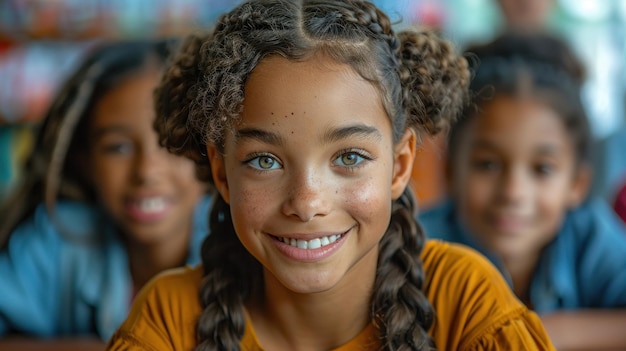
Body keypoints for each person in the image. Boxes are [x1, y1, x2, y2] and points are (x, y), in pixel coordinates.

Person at [107, 1, 556, 350]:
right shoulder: (168, 318)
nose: (306, 202)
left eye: (350, 157)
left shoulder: (465, 301)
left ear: (400, 166)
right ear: (222, 174)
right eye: (265, 161)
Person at [419, 31, 626, 350]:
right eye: (487, 165)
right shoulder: (420, 247)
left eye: (542, 169)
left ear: (577, 184)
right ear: (450, 172)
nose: (513, 192)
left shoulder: (589, 236)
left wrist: (546, 332)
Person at [0, 38, 211, 343]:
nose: (147, 172)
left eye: (172, 143)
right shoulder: (56, 239)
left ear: (212, 155)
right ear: (84, 160)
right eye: (119, 147)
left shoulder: (244, 249)